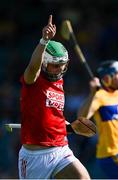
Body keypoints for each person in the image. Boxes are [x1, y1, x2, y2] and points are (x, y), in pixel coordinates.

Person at [18, 15, 92, 179]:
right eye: (55, 66)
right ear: (44, 63)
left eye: (62, 65)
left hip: (60, 149)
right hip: (34, 157)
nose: (59, 69)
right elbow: (32, 67)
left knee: (83, 178)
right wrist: (44, 41)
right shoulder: (33, 79)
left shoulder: (59, 81)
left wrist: (69, 127)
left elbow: (52, 114)